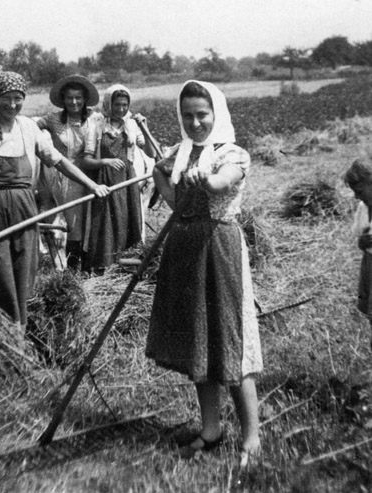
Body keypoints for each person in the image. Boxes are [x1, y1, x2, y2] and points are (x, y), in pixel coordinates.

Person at [145, 80, 263, 468]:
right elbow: (175, 201)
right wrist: (161, 175)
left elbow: (220, 182)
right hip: (185, 250)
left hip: (220, 249)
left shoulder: (233, 153)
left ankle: (251, 438)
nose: (195, 123)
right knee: (199, 341)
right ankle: (210, 430)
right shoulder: (177, 154)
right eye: (187, 116)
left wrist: (203, 178)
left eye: (202, 115)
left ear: (217, 114)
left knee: (231, 340)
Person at [0, 72, 108, 342]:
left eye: (18, 98)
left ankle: (19, 329)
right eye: (7, 98)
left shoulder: (28, 127)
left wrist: (91, 184)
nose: (12, 105)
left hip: (23, 206)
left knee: (24, 265)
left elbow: (59, 161)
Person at [83, 84, 156, 272]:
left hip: (127, 179)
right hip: (105, 179)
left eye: (125, 105)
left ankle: (127, 265)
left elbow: (151, 152)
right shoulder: (97, 126)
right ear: (109, 104)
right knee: (106, 222)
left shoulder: (132, 125)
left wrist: (145, 128)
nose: (121, 109)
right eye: (117, 105)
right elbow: (86, 160)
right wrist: (105, 161)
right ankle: (104, 265)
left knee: (127, 219)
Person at [37, 74, 101, 270]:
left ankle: (87, 264)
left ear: (85, 99)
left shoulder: (95, 118)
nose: (74, 102)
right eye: (69, 98)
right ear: (63, 100)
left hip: (89, 173)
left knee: (88, 219)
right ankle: (71, 268)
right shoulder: (53, 119)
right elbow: (30, 127)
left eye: (78, 97)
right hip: (62, 175)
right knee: (72, 222)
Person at [344, 155, 372, 349]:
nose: (356, 196)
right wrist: (362, 243)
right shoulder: (364, 207)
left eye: (360, 191)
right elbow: (360, 236)